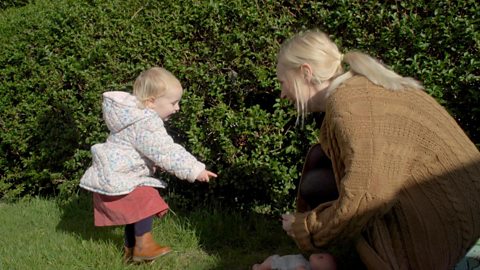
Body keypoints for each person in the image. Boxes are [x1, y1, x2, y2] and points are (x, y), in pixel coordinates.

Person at [276, 29, 480, 269]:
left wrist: (306, 228)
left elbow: (366, 199)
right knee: (320, 166)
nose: (282, 94)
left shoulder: (352, 107)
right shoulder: (365, 89)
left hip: (459, 243)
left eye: (283, 82)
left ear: (306, 72)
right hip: (467, 222)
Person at [79, 67, 217, 263]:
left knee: (133, 213)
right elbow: (166, 151)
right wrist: (195, 170)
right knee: (146, 199)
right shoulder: (145, 122)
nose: (177, 108)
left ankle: (130, 251)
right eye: (173, 103)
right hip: (122, 176)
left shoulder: (130, 117)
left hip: (114, 175)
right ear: (151, 102)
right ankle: (144, 245)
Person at [252, 252, 336, 270]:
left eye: (320, 257)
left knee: (265, 266)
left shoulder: (305, 267)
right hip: (278, 260)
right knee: (269, 262)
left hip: (278, 264)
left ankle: (258, 267)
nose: (318, 255)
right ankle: (260, 266)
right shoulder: (306, 262)